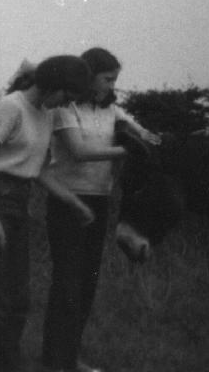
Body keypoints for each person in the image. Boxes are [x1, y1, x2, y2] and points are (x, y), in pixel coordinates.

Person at [0, 55, 93, 372]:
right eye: (67, 95)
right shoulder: (10, 108)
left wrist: (72, 201)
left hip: (19, 205)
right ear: (51, 84)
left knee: (17, 301)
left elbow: (37, 169)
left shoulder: (46, 113)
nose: (67, 104)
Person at [40, 48, 160, 372]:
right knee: (67, 283)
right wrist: (128, 151)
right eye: (107, 79)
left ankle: (66, 358)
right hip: (67, 200)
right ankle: (56, 360)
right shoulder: (65, 108)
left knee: (86, 284)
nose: (111, 86)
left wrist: (151, 140)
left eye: (115, 80)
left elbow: (144, 135)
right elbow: (79, 151)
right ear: (88, 76)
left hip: (99, 200)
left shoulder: (112, 110)